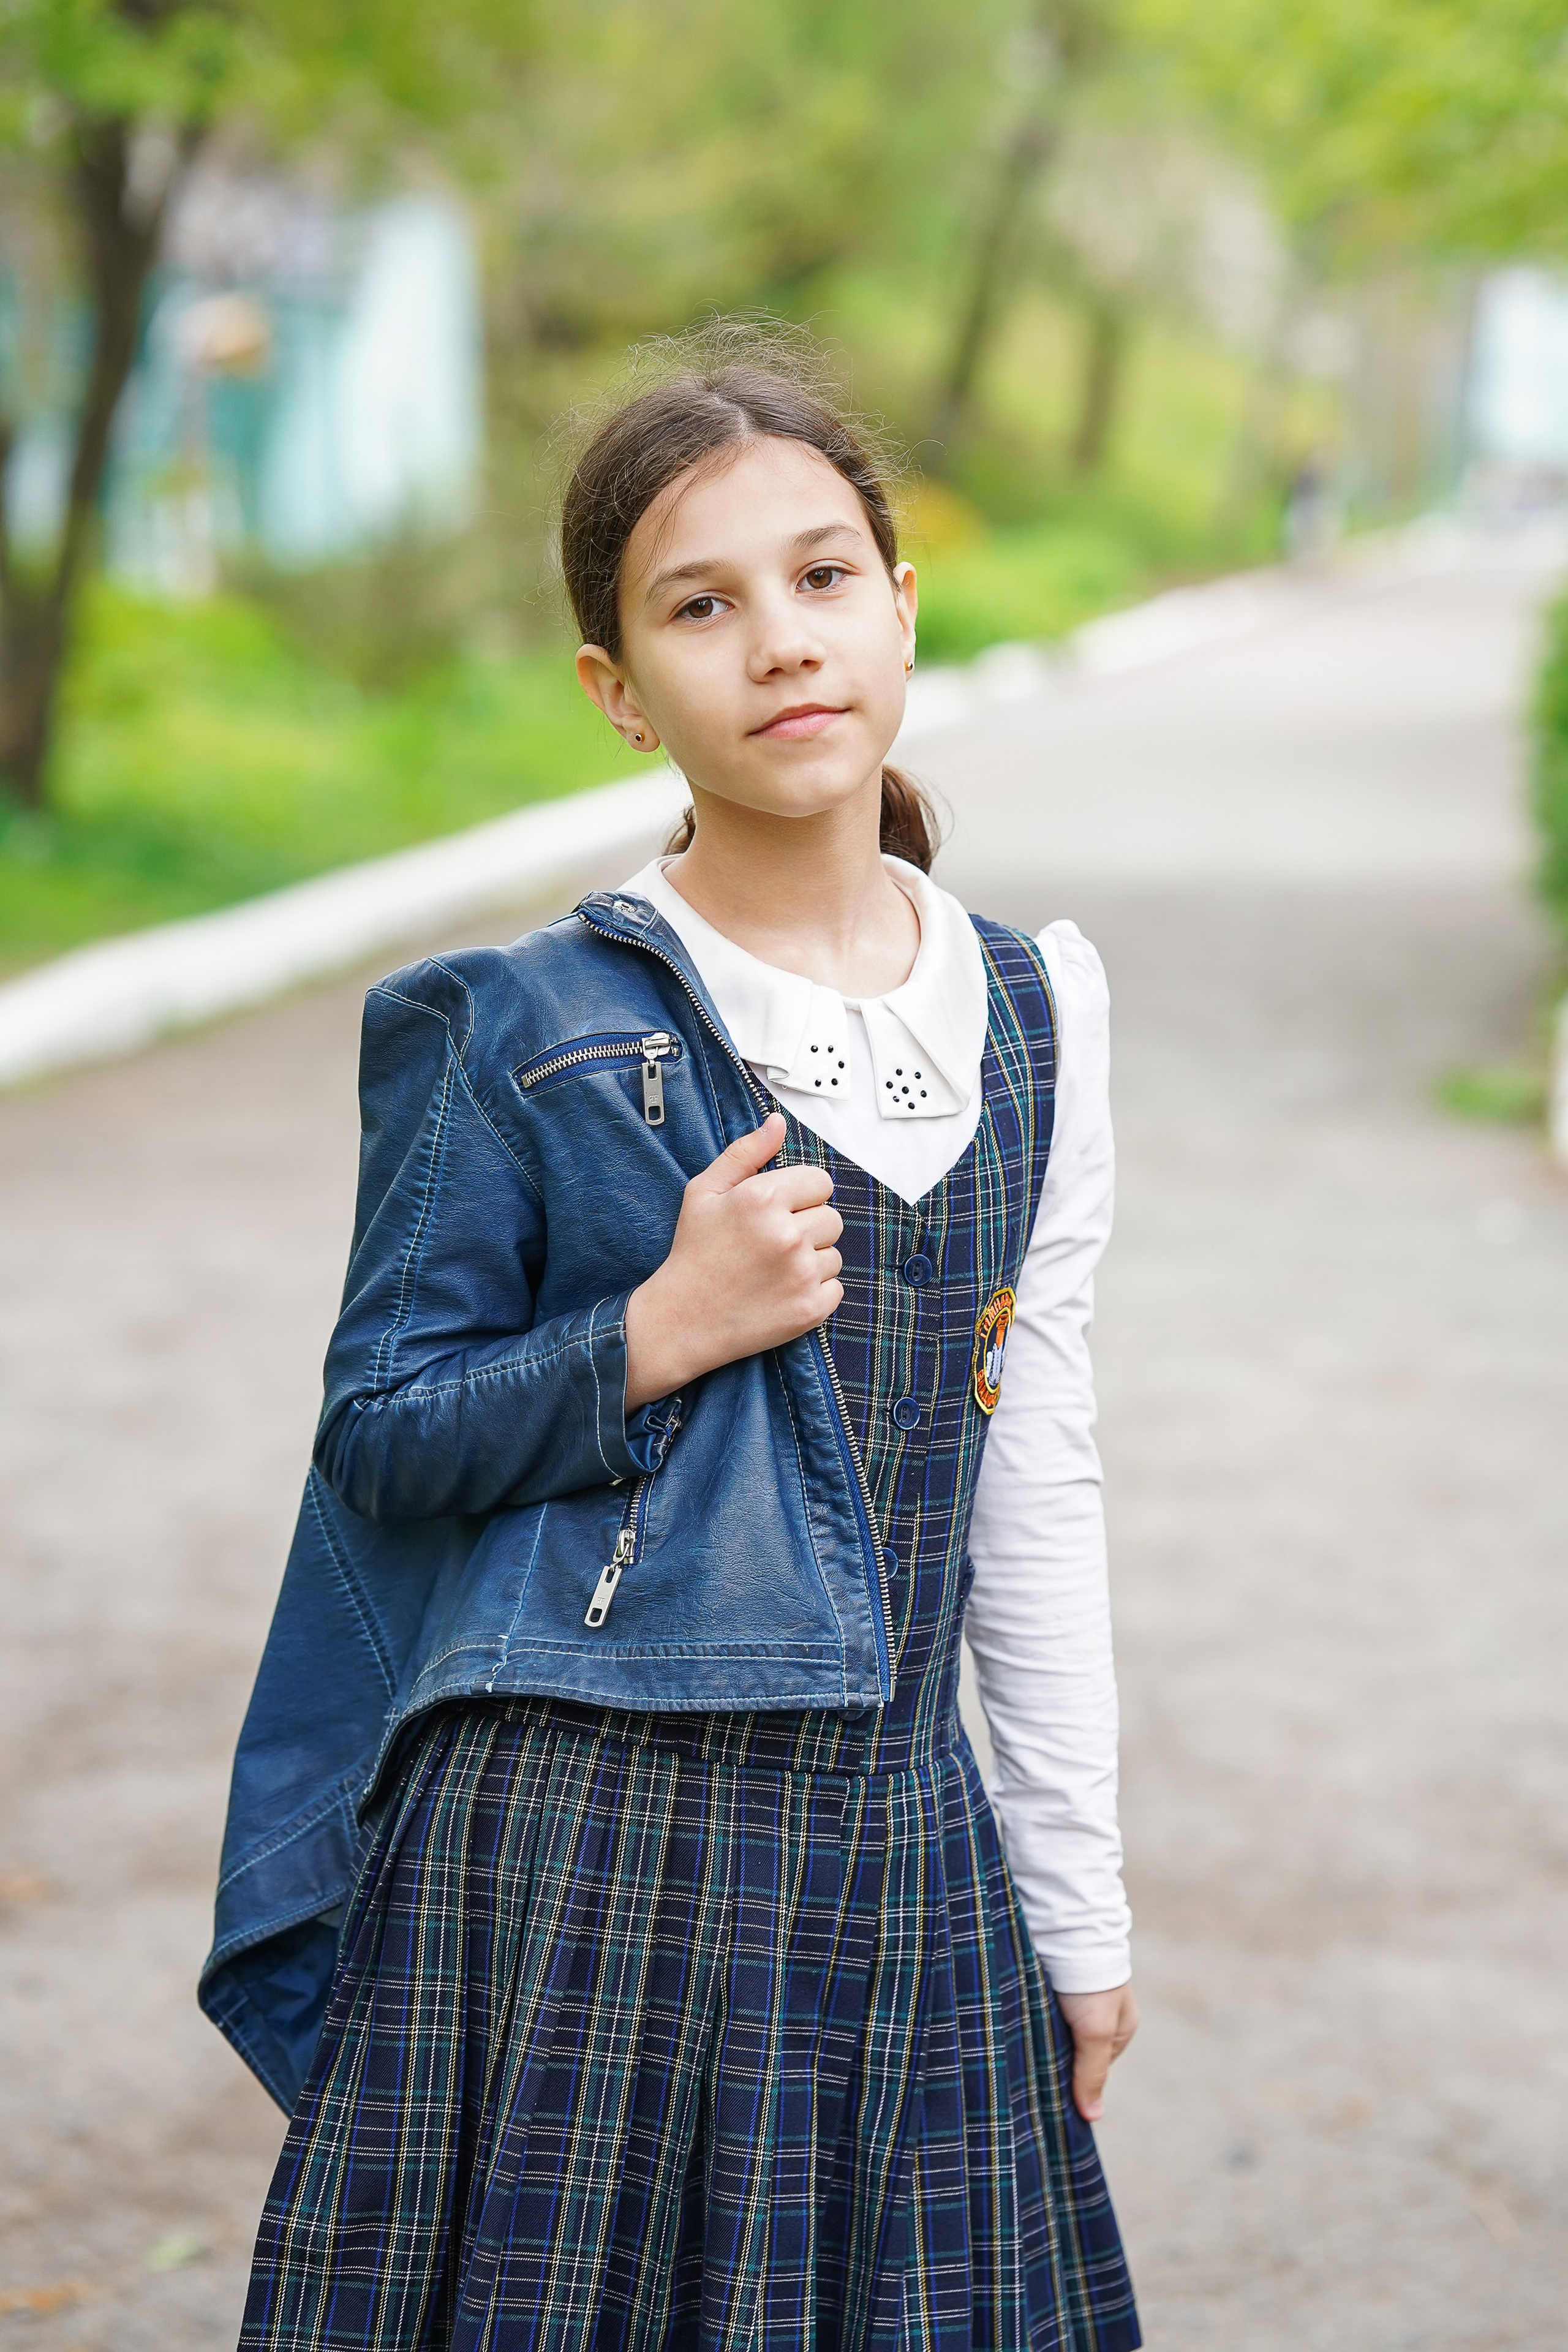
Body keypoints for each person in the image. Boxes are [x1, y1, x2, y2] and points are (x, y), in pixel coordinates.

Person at [208, 339, 1141, 2352]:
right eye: (699, 606)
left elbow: (1031, 1483)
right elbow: (382, 1431)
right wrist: (651, 1332)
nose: (778, 645)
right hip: (581, 1887)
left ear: (903, 604)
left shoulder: (1038, 1015)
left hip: (902, 1869)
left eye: (821, 580)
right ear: (618, 690)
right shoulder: (526, 1023)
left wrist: (1076, 1907)